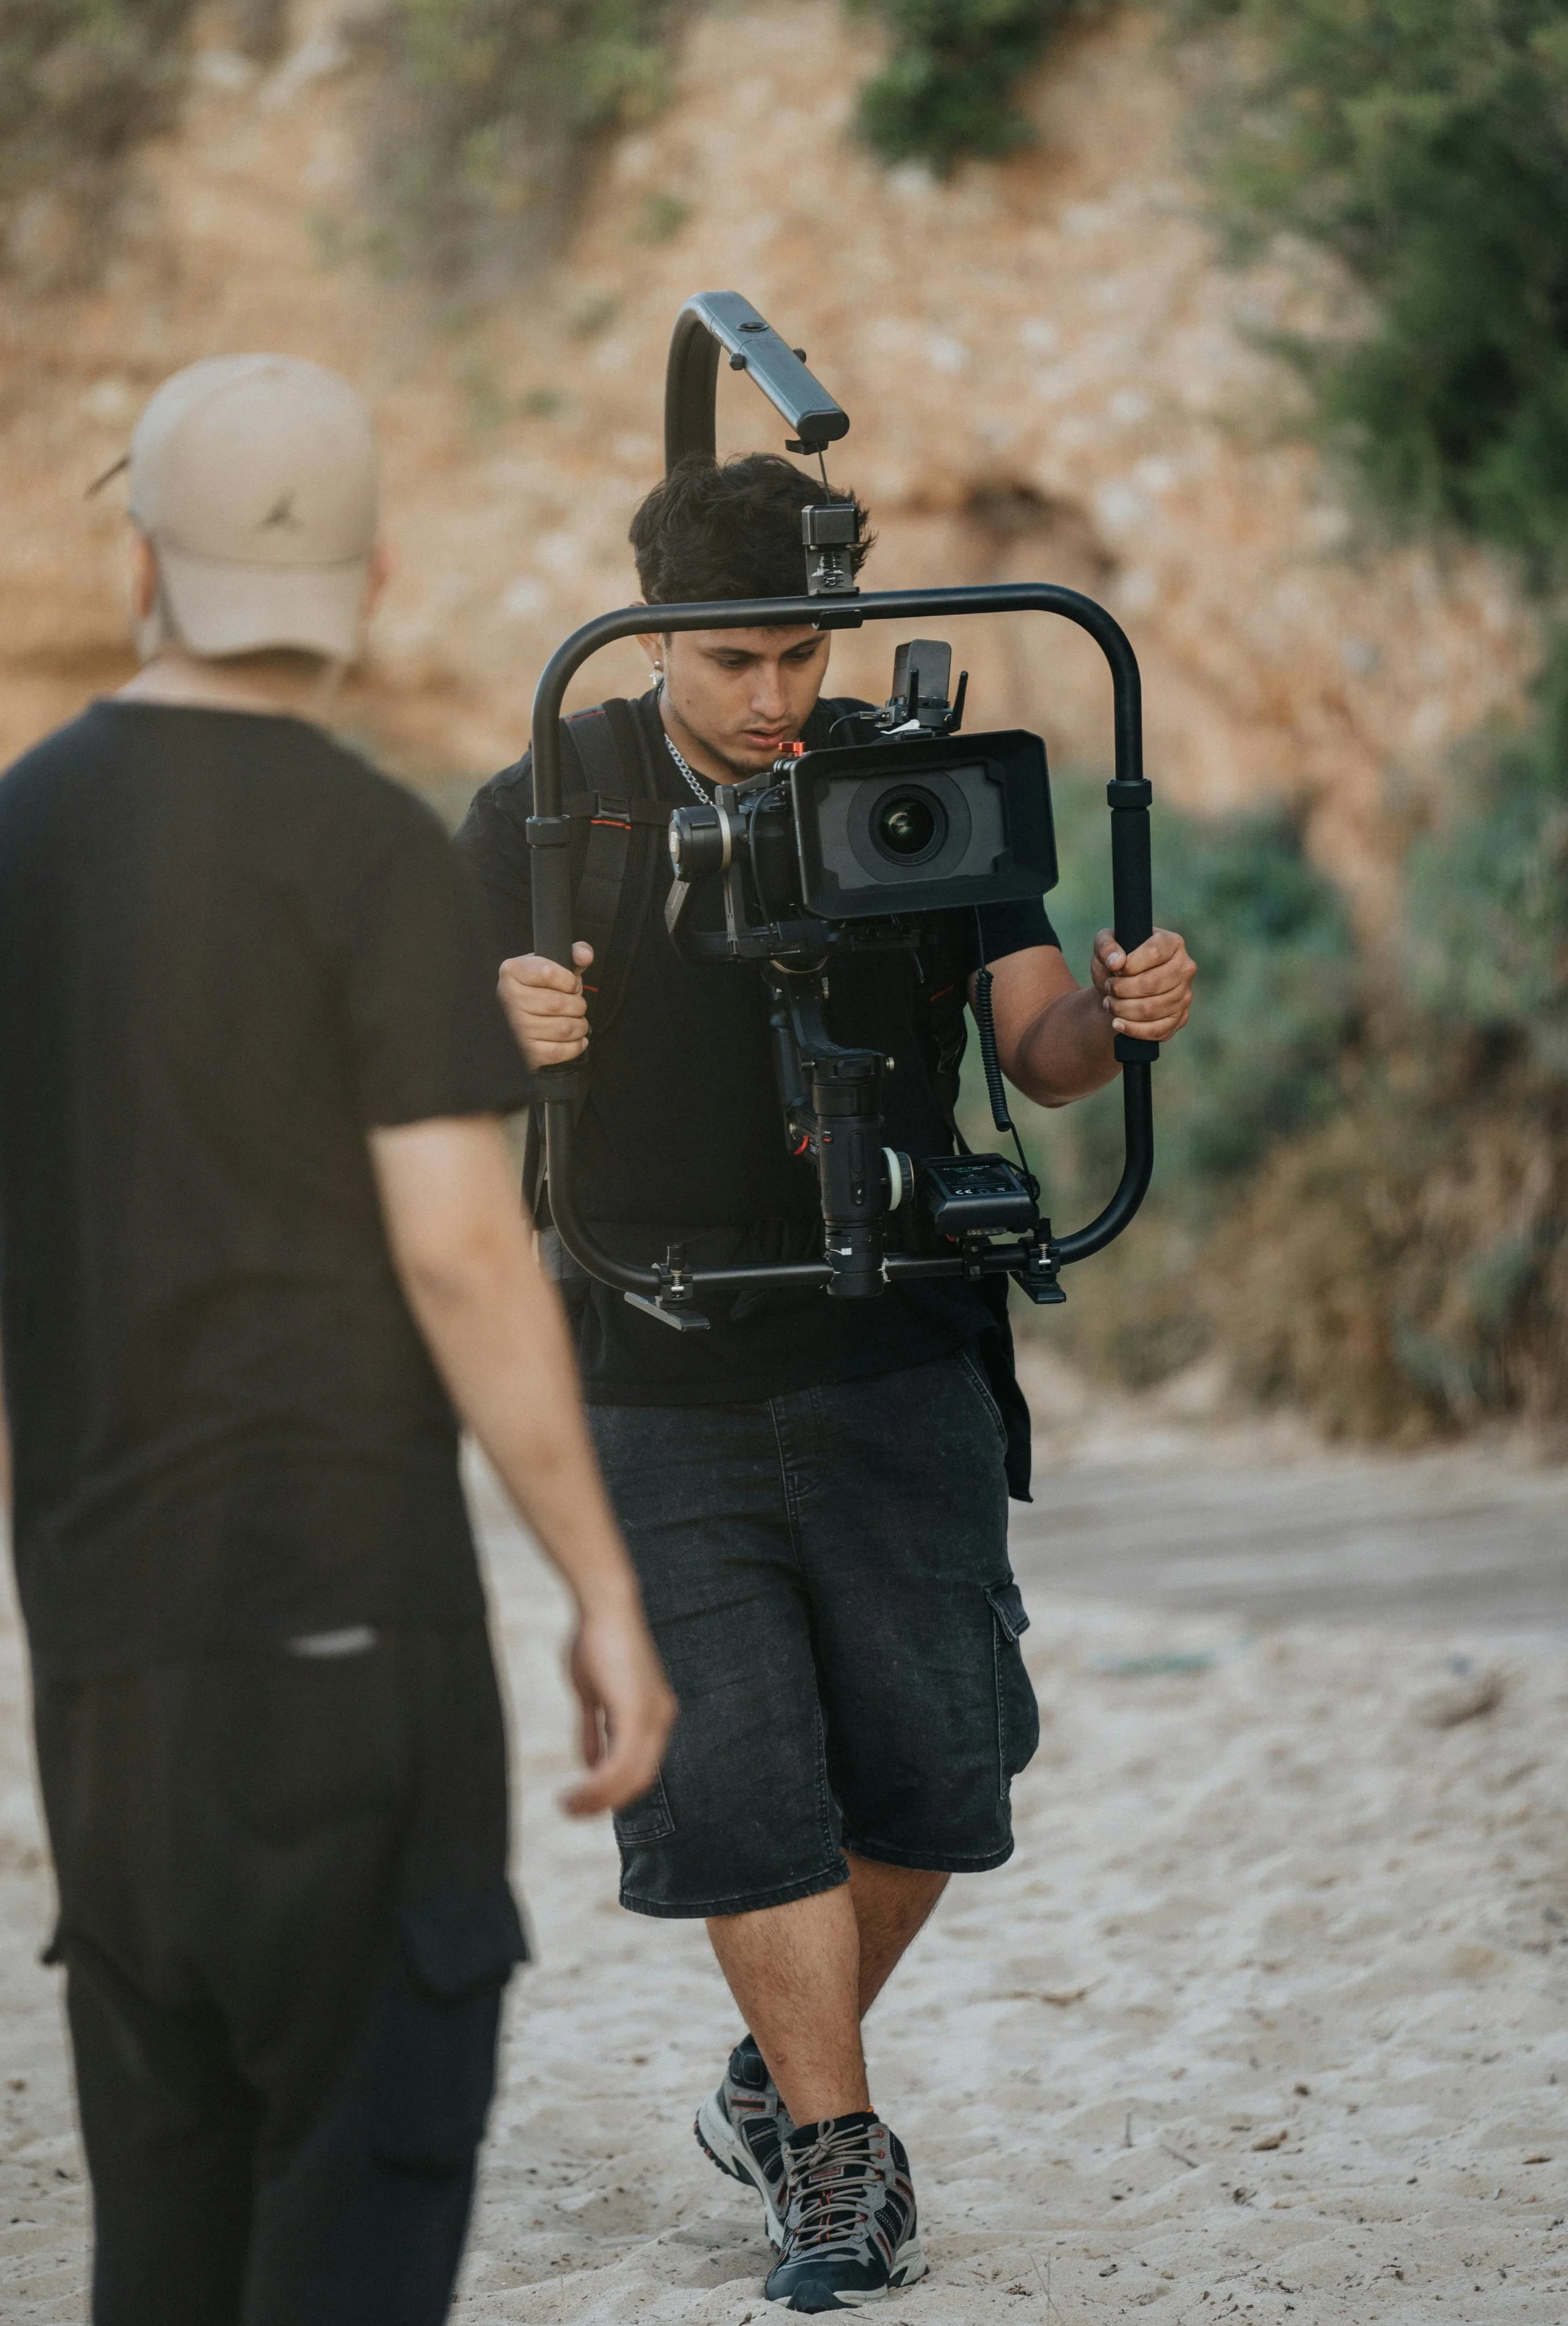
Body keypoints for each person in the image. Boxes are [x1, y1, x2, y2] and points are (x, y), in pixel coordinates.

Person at [458, 450, 1196, 2314]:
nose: (779, 698)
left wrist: (1109, 1018)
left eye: (805, 655)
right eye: (737, 665)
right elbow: (427, 1073)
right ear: (655, 643)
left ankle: (771, 2082)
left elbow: (1031, 1044)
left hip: (897, 1341)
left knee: (941, 1760)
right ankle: (834, 2152)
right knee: (737, 1773)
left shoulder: (907, 773)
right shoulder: (547, 802)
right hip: (656, 1350)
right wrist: (500, 1015)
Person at [0, 353, 675, 2326]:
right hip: (352, 1647)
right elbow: (466, 1259)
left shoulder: (17, 838)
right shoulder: (373, 848)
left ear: (145, 564)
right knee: (352, 2238)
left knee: (168, 2237)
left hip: (110, 1662)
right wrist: (602, 1590)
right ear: (368, 581)